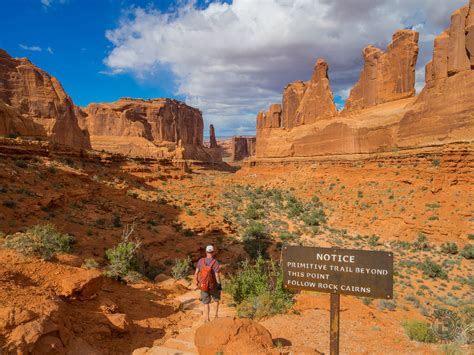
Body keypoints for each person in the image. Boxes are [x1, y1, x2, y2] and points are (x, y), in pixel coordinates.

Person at [195, 245, 222, 322]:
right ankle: (216, 316)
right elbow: (217, 275)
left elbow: (196, 273)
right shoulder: (215, 262)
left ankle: (207, 318)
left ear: (206, 252)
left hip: (203, 285)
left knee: (206, 302)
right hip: (213, 286)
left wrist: (197, 282)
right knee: (216, 300)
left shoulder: (201, 261)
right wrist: (219, 285)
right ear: (213, 252)